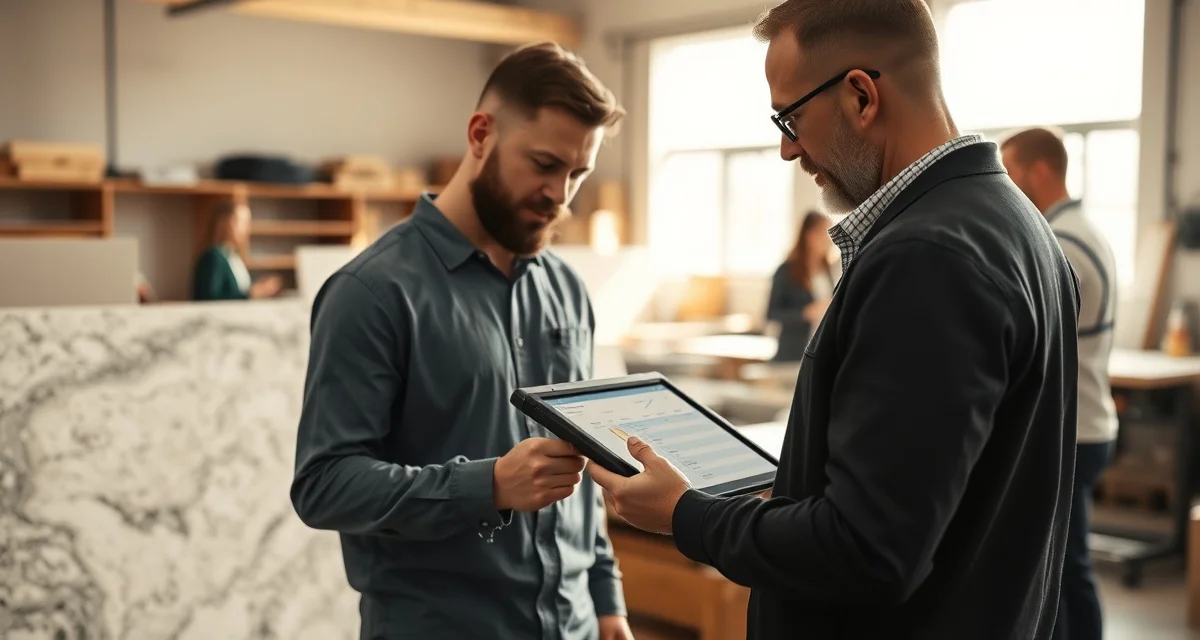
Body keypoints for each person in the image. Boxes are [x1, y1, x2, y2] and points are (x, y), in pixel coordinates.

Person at [588, 2, 1081, 639]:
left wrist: (688, 515)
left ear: (859, 95)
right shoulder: (1016, 224)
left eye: (789, 117)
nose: (787, 148)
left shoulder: (926, 258)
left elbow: (867, 551)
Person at [290, 42, 634, 640]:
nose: (561, 195)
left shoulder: (568, 290)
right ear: (481, 134)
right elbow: (324, 485)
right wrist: (489, 485)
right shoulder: (371, 293)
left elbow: (578, 472)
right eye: (545, 164)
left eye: (578, 174)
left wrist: (607, 603)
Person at [1002, 126, 1118, 640]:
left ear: (1040, 170)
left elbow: (1030, 336)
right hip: (1091, 420)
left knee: (1065, 572)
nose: (1006, 183)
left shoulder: (1062, 243)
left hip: (1073, 429)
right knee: (1069, 566)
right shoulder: (1087, 232)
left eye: (1012, 170)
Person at [765, 210, 836, 361]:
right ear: (809, 236)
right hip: (792, 353)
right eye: (825, 233)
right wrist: (805, 313)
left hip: (820, 352)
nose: (829, 240)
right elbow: (771, 313)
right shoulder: (786, 271)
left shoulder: (827, 270)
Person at [192, 202, 282, 301]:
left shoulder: (233, 256)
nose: (247, 229)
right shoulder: (213, 257)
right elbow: (210, 298)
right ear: (226, 223)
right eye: (242, 223)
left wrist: (260, 288)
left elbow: (238, 291)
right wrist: (251, 294)